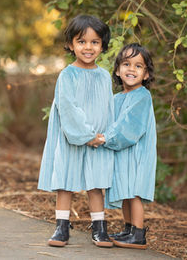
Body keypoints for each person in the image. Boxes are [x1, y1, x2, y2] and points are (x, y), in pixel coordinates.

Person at [37, 15, 114, 248]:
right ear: (71, 44)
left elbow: (108, 108)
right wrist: (85, 135)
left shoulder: (104, 76)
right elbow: (68, 109)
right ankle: (62, 226)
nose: (88, 47)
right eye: (82, 41)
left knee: (95, 182)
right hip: (72, 137)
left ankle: (99, 228)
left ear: (102, 45)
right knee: (66, 181)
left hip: (97, 138)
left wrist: (102, 136)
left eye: (94, 42)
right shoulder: (67, 75)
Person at [88, 43, 157, 249]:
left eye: (138, 66)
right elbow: (107, 120)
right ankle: (128, 229)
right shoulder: (117, 98)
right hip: (121, 155)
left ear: (145, 74)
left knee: (134, 193)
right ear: (118, 70)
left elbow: (129, 127)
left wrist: (104, 139)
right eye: (126, 64)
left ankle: (138, 233)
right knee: (126, 192)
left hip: (136, 154)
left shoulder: (142, 97)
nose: (131, 69)